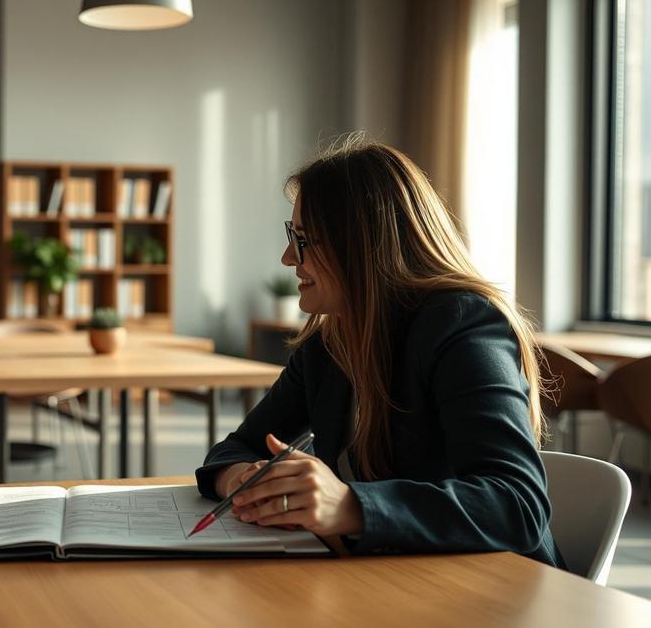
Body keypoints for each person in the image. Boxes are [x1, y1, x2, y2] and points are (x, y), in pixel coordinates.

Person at [197, 137, 564, 567]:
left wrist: (350, 506)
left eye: (302, 240)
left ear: (360, 244)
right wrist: (242, 479)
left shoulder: (463, 326)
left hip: (500, 593)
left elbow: (517, 505)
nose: (286, 257)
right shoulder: (328, 344)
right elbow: (236, 447)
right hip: (402, 581)